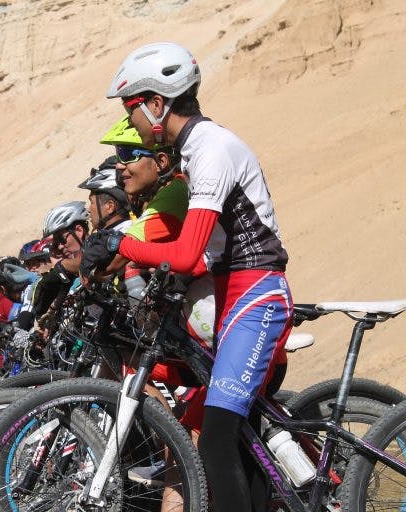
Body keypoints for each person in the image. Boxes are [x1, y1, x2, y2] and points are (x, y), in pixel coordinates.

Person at [82, 41, 293, 512]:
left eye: (130, 109)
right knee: (234, 441)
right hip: (233, 293)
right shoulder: (194, 150)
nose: (130, 124)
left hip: (256, 295)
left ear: (157, 104)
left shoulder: (211, 148)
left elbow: (183, 254)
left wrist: (120, 243)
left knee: (215, 443)